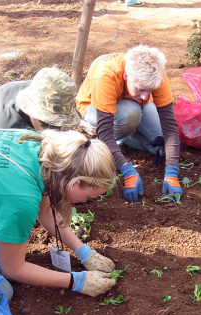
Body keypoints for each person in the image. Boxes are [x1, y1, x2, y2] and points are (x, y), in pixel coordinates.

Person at [0, 125, 117, 300]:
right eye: (89, 196)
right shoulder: (20, 199)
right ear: (75, 183)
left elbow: (45, 210)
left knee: (0, 259)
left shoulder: (38, 147)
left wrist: (84, 252)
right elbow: (13, 269)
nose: (85, 202)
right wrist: (76, 281)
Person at [76, 44, 183, 203]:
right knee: (131, 113)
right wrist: (126, 170)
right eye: (140, 89)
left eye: (150, 91)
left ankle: (121, 140)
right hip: (94, 108)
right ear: (126, 75)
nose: (145, 95)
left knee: (160, 145)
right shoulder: (106, 75)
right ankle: (109, 146)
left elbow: (170, 128)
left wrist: (172, 171)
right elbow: (105, 132)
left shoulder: (156, 75)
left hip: (135, 108)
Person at [0, 67, 80, 131]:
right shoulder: (7, 126)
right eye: (47, 122)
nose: (53, 129)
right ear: (31, 109)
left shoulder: (42, 87)